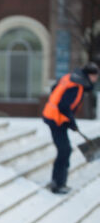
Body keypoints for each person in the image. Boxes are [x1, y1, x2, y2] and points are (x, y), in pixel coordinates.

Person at [42, 62, 98, 194]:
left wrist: (68, 121)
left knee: (65, 150)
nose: (96, 79)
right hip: (55, 119)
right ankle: (57, 183)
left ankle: (59, 182)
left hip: (56, 118)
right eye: (95, 76)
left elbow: (54, 89)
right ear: (89, 75)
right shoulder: (76, 86)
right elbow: (63, 106)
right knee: (64, 150)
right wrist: (71, 122)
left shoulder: (71, 78)